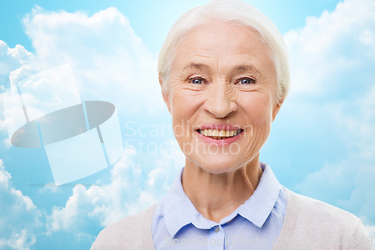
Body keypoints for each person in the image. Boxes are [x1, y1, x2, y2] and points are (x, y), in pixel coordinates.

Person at [91, 0, 372, 249]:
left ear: (278, 99)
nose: (220, 107)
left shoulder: (341, 239)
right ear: (166, 94)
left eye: (245, 81)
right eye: (197, 80)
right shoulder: (115, 244)